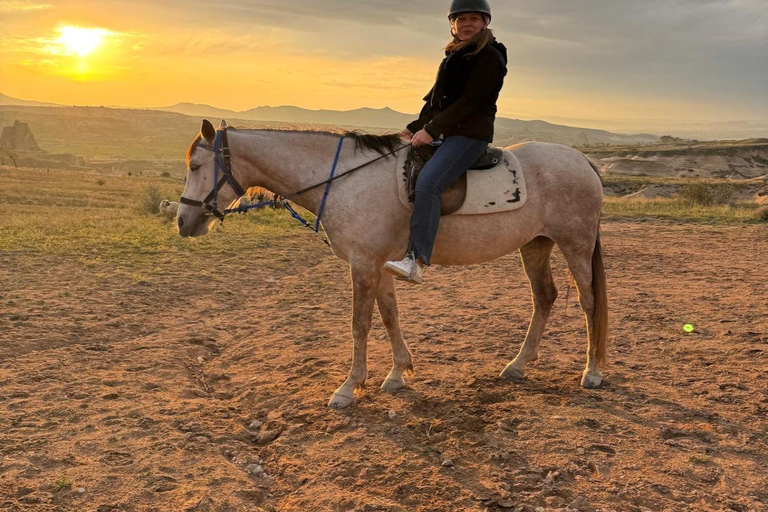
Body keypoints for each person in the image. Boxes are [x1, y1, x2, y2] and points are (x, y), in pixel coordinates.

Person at [384, 0, 508, 285]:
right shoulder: (453, 56)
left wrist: (432, 130)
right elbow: (436, 102)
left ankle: (415, 260)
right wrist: (414, 128)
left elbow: (471, 101)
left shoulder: (489, 56)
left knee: (429, 183)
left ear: (485, 22)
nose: (466, 24)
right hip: (447, 132)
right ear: (451, 24)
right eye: (460, 19)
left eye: (473, 19)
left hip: (469, 135)